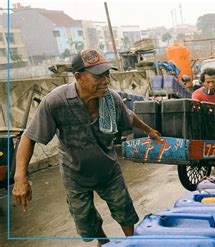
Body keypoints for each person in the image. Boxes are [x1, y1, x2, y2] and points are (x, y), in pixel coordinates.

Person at [12, 49, 161, 246]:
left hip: (108, 171)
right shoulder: (56, 101)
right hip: (76, 176)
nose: (105, 80)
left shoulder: (110, 98)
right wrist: (20, 177)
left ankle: (132, 242)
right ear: (78, 77)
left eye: (107, 74)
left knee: (125, 212)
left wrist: (149, 130)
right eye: (98, 76)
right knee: (86, 222)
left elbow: (128, 116)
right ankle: (103, 242)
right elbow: (29, 137)